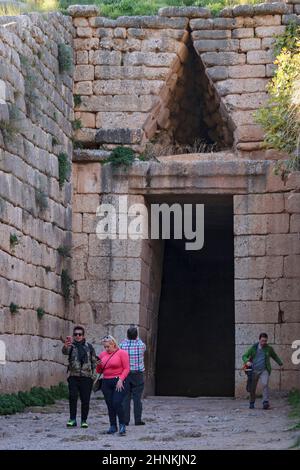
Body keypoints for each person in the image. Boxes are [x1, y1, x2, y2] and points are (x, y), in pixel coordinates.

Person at [62, 325, 97, 428]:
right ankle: (72, 419)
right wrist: (65, 346)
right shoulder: (71, 346)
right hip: (73, 375)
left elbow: (94, 362)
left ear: (83, 335)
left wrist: (93, 376)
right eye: (76, 334)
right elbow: (65, 352)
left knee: (85, 399)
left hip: (86, 377)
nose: (78, 336)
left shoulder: (89, 347)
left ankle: (84, 420)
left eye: (80, 334)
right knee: (72, 397)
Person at [96, 335, 130, 436]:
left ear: (113, 344)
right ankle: (113, 426)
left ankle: (122, 425)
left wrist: (121, 379)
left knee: (116, 402)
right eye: (105, 347)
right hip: (106, 382)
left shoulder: (122, 353)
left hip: (119, 381)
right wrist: (98, 364)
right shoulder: (102, 355)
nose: (106, 349)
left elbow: (126, 368)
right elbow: (99, 371)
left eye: (108, 347)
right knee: (110, 404)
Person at [242, 332, 283, 410]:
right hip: (254, 370)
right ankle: (251, 402)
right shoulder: (253, 348)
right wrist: (247, 361)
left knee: (265, 384)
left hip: (264, 370)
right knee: (253, 388)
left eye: (265, 341)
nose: (264, 342)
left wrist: (280, 363)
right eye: (262, 341)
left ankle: (265, 402)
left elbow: (274, 356)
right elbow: (244, 356)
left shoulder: (269, 348)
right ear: (259, 340)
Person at [120, 326, 146, 426]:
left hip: (126, 374)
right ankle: (138, 420)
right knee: (137, 398)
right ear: (136, 336)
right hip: (138, 374)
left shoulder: (122, 345)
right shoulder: (141, 345)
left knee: (126, 398)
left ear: (127, 335)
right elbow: (142, 345)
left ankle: (126, 420)